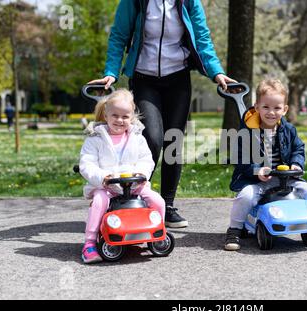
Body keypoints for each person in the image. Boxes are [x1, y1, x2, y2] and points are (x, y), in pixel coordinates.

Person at [88, 0, 236, 228]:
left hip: (178, 78)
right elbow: (118, 35)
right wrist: (111, 72)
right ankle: (130, 197)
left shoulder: (189, 1)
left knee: (174, 142)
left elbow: (202, 37)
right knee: (153, 139)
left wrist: (216, 72)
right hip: (144, 78)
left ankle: (167, 206)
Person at [224, 79, 307, 251]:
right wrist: (257, 171)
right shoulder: (246, 132)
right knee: (245, 197)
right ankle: (234, 229)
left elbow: (298, 148)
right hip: (255, 180)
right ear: (256, 107)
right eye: (266, 107)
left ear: (285, 109)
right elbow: (241, 159)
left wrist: (296, 164)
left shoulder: (288, 130)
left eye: (277, 108)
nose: (271, 112)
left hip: (284, 178)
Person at [79, 88, 165, 264]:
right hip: (107, 187)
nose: (120, 120)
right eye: (115, 115)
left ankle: (155, 233)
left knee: (158, 201)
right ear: (106, 114)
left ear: (132, 117)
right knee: (99, 202)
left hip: (134, 186)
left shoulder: (138, 139)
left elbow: (146, 160)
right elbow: (86, 165)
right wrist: (103, 177)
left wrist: (141, 174)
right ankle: (89, 242)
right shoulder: (95, 139)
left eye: (125, 116)